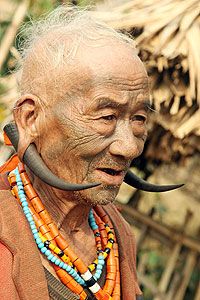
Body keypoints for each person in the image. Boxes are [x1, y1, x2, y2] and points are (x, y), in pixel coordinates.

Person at [0, 6, 182, 300]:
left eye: (138, 119)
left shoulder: (116, 234)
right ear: (31, 119)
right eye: (107, 116)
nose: (130, 147)